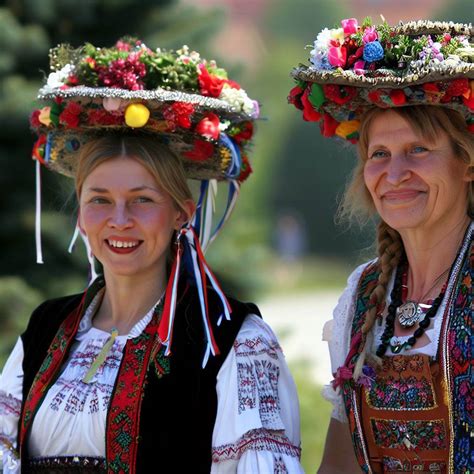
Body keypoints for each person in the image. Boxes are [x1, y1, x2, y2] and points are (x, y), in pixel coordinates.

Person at [0, 39, 303, 473]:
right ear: (81, 216)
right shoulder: (48, 328)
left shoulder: (231, 340)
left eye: (142, 200)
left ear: (182, 212)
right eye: (99, 200)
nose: (119, 220)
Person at [289, 18, 473, 473]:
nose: (394, 175)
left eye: (418, 150)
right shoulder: (364, 292)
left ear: (467, 163)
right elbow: (338, 466)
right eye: (380, 155)